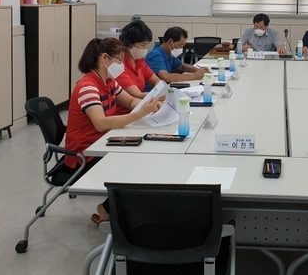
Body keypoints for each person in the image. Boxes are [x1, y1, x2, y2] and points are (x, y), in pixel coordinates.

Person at [62, 37, 162, 224]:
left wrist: (152, 104)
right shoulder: (88, 87)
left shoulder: (109, 82)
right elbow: (100, 123)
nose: (122, 65)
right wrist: (140, 113)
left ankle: (122, 209)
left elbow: (130, 101)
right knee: (137, 168)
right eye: (119, 60)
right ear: (105, 59)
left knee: (145, 158)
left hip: (105, 142)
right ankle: (108, 209)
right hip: (85, 154)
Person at [115, 20, 162, 105]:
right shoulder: (120, 66)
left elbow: (156, 80)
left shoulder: (139, 61)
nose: (146, 48)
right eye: (143, 45)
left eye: (148, 44)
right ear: (129, 44)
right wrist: (161, 96)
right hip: (127, 109)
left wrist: (162, 90)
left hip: (140, 104)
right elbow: (137, 95)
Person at [144, 26, 209, 85]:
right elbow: (165, 77)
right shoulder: (155, 55)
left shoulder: (169, 53)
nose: (181, 48)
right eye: (180, 45)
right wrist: (195, 76)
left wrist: (198, 70)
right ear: (170, 42)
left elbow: (182, 66)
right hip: (153, 91)